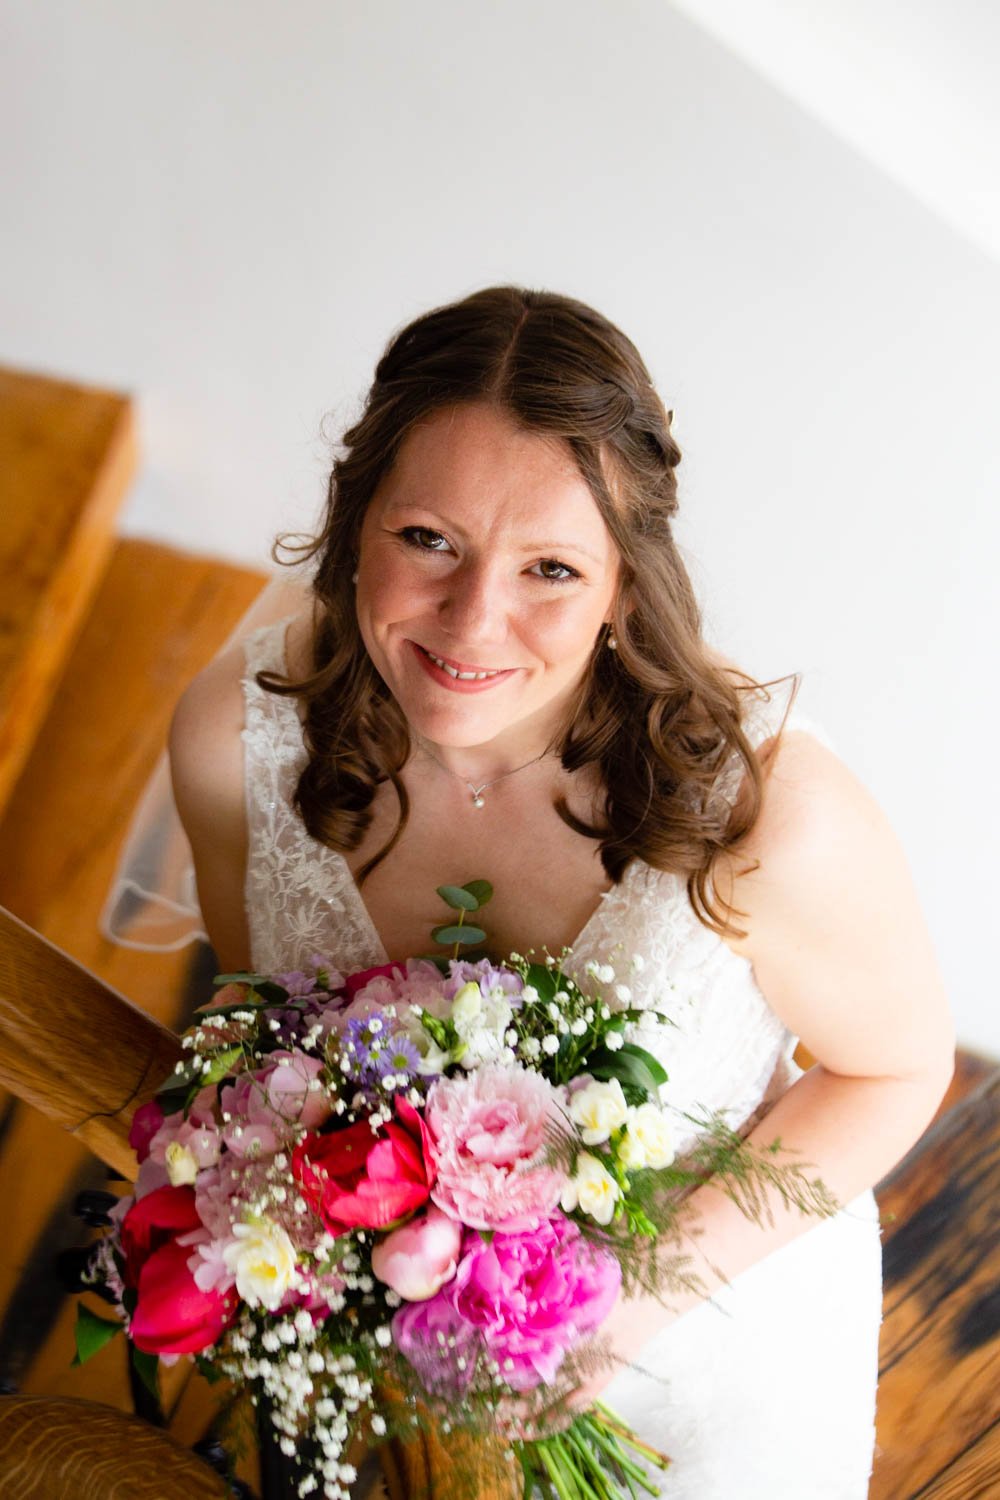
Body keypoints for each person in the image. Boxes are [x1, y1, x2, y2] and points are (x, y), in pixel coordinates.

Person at [166, 285, 954, 1498]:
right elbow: (268, 1025)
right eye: (427, 539)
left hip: (703, 1356)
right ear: (351, 519)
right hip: (386, 1382)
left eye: (549, 567)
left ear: (624, 588)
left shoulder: (764, 810)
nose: (473, 620)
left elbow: (895, 1070)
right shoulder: (241, 741)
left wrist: (624, 1307)